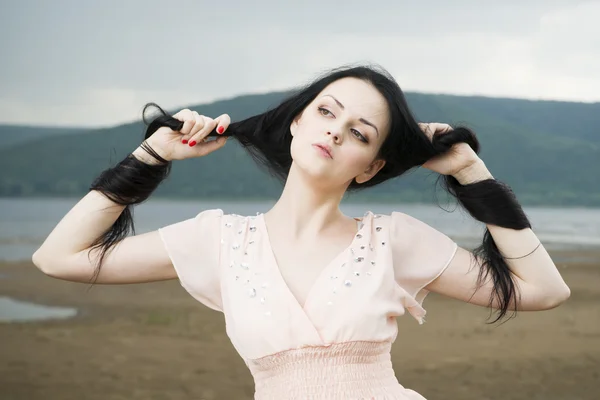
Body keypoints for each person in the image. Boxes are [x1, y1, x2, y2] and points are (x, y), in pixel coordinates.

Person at [32, 64, 570, 399]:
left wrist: (470, 172)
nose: (335, 129)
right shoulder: (219, 240)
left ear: (370, 167)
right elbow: (58, 257)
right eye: (326, 111)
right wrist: (151, 155)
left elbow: (544, 290)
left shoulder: (393, 239)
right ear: (297, 122)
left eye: (359, 132)